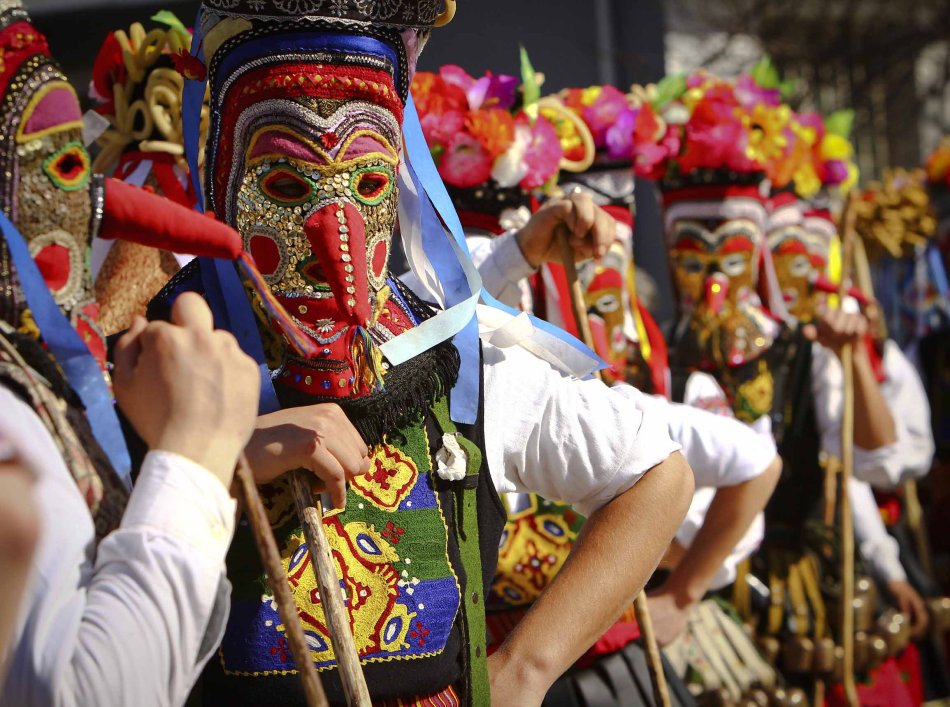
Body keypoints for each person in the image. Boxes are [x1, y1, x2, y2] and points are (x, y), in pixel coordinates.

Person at [147, 3, 693, 705]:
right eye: (285, 186)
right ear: (227, 177)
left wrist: (525, 668)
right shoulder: (158, 367)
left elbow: (656, 471)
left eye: (368, 184)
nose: (333, 245)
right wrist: (216, 462)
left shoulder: (454, 360)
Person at [410, 68, 781, 654]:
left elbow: (751, 464)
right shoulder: (407, 380)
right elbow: (444, 301)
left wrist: (679, 587)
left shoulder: (578, 402)